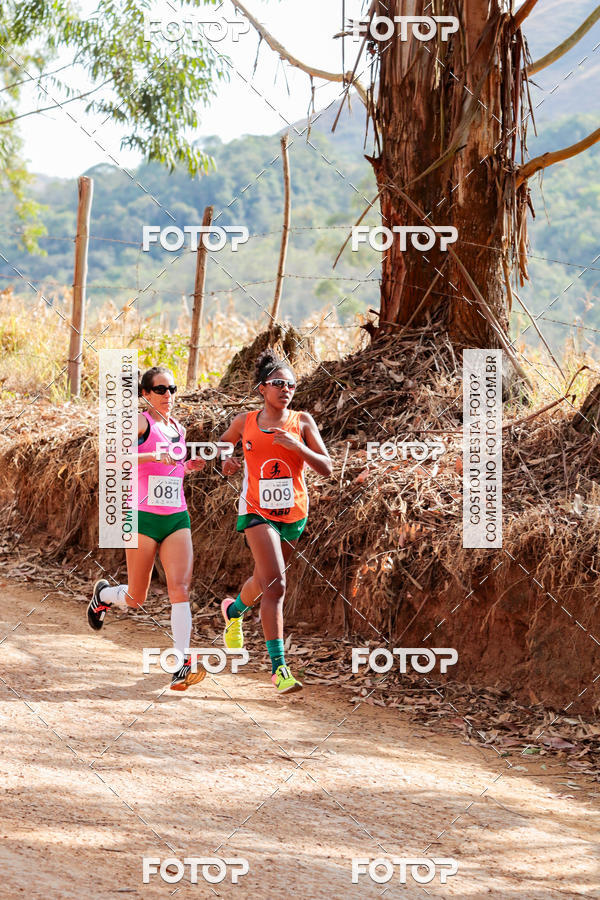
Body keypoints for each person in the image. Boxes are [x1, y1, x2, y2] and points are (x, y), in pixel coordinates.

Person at [218, 349, 332, 694]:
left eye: (292, 385)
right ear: (262, 389)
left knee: (265, 579)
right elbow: (223, 444)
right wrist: (227, 460)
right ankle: (279, 669)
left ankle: (234, 610)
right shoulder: (246, 421)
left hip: (293, 512)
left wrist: (298, 447)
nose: (286, 389)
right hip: (255, 510)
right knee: (277, 586)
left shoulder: (303, 422)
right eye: (279, 383)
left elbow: (325, 467)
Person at [87, 366, 206, 691]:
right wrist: (155, 453)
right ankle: (105, 595)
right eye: (160, 389)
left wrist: (187, 465)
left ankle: (182, 663)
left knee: (180, 588)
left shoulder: (178, 428)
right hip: (141, 517)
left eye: (172, 389)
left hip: (176, 517)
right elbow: (111, 459)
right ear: (145, 393)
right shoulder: (141, 422)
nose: (168, 395)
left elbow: (172, 468)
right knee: (136, 597)